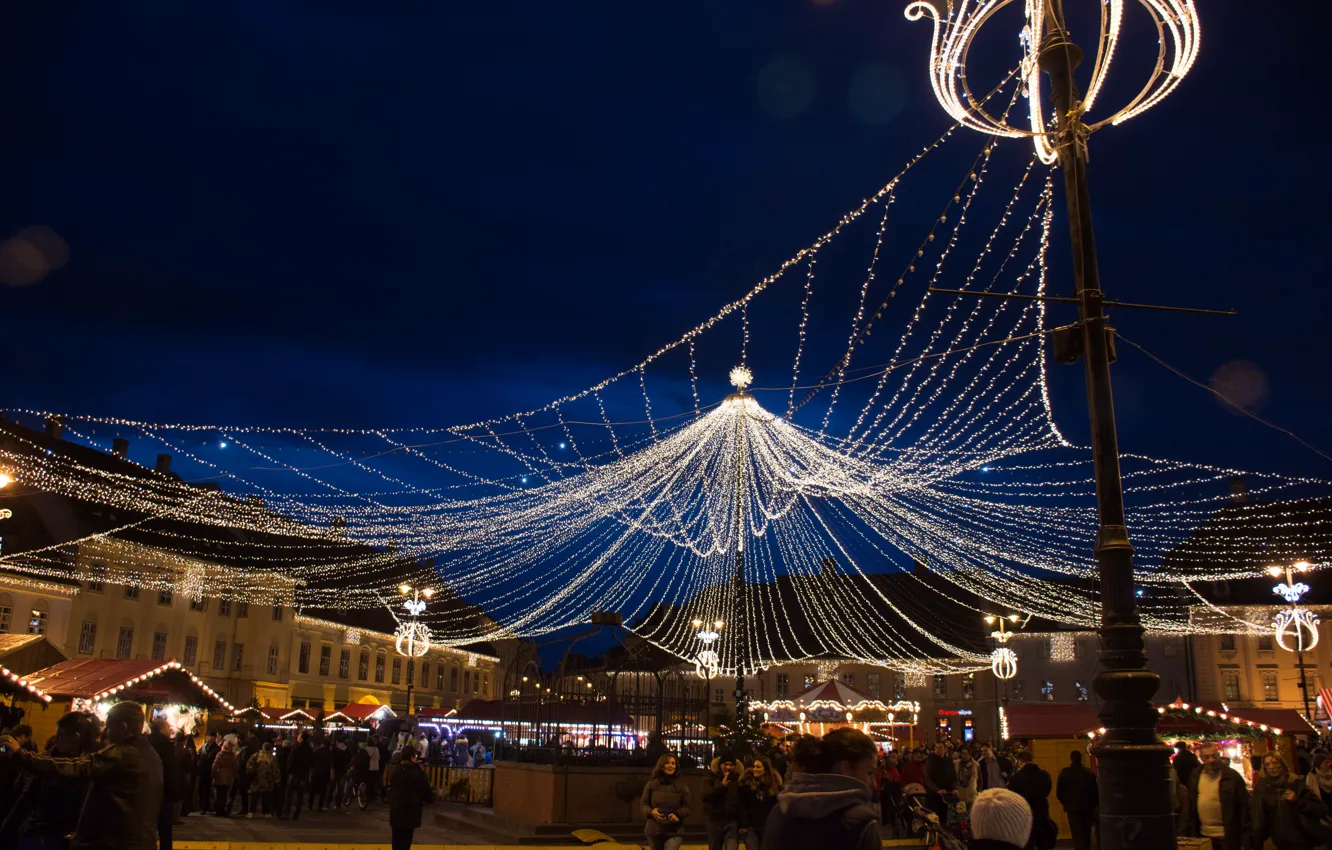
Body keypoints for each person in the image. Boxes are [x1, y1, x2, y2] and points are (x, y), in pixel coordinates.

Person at [1, 701, 163, 850]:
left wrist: (21, 755)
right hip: (141, 841)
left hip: (114, 842)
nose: (105, 733)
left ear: (123, 727)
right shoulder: (152, 756)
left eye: (109, 727)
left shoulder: (121, 753)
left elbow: (77, 768)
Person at [761, 728, 881, 850]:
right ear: (845, 768)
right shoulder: (861, 824)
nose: (874, 783)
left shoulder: (781, 810)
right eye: (869, 773)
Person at [0, 711, 95, 850]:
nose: (56, 739)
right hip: (36, 830)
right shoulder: (50, 756)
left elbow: (86, 804)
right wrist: (9, 826)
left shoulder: (86, 766)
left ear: (76, 737)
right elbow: (28, 796)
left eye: (61, 736)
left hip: (60, 836)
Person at [1252, 752, 1329, 850]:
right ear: (1264, 768)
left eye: (1275, 763)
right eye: (1267, 764)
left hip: (1302, 840)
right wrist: (1257, 841)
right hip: (1280, 843)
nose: (1272, 767)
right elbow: (1259, 817)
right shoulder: (1262, 788)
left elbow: (1321, 809)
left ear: (1282, 764)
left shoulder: (1295, 783)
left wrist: (1297, 800)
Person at [1183, 742, 1249, 850]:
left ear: (1218, 755)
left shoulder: (1232, 776)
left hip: (1227, 837)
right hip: (1204, 836)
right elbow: (1190, 806)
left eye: (1214, 756)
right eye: (1207, 757)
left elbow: (1244, 808)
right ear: (1201, 758)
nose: (1211, 760)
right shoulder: (1195, 776)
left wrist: (1245, 839)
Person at [641, 753, 691, 850]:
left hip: (674, 829)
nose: (670, 766)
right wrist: (651, 812)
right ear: (661, 765)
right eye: (667, 763)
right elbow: (643, 804)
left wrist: (678, 814)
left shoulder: (681, 786)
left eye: (673, 763)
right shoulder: (652, 784)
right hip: (654, 829)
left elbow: (688, 807)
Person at [388, 747, 434, 850]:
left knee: (396, 841)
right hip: (410, 812)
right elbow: (426, 791)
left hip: (396, 810)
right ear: (412, 757)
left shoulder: (396, 770)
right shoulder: (416, 772)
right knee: (405, 841)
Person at [1006, 751, 1053, 850]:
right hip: (1041, 812)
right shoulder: (1044, 775)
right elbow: (1047, 790)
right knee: (1042, 842)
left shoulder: (1016, 778)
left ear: (1020, 762)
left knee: (1027, 843)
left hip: (1023, 813)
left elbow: (1010, 794)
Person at [147, 720, 182, 850]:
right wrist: (174, 793)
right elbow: (171, 771)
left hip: (145, 792)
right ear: (162, 729)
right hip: (163, 793)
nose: (170, 729)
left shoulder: (146, 744)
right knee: (165, 831)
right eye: (168, 727)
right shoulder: (166, 747)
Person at [1055, 751, 1098, 850]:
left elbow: (1059, 792)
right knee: (1086, 832)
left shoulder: (1065, 773)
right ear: (1081, 759)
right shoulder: (1089, 772)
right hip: (1087, 808)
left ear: (1071, 759)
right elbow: (1095, 791)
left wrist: (1066, 802)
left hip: (1072, 808)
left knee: (1076, 833)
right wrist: (1093, 804)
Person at [739, 755, 781, 850]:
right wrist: (744, 824)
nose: (755, 769)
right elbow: (742, 806)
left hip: (768, 826)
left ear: (765, 769)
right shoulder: (746, 785)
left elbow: (776, 807)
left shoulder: (774, 787)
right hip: (751, 826)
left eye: (758, 767)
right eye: (754, 766)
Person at [704, 752, 741, 850]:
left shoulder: (737, 780)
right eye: (725, 764)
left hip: (732, 821)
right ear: (720, 764)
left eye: (731, 765)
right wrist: (721, 787)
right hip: (715, 821)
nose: (728, 767)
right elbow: (706, 796)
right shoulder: (710, 778)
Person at [924, 741, 958, 823]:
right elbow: (928, 778)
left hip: (946, 794)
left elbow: (953, 776)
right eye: (936, 748)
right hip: (933, 795)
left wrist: (954, 788)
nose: (938, 750)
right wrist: (936, 790)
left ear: (945, 749)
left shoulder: (948, 761)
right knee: (933, 818)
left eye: (940, 747)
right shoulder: (930, 761)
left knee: (944, 818)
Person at [246, 741, 281, 818]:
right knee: (266, 797)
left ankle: (251, 812)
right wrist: (277, 780)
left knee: (254, 797)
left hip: (256, 779)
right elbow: (275, 770)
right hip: (267, 780)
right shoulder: (272, 757)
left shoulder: (256, 755)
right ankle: (266, 812)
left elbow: (249, 765)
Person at [283, 734, 313, 820]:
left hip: (294, 773)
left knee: (289, 794)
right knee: (300, 796)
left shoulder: (296, 748)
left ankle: (286, 813)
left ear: (301, 738)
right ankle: (297, 813)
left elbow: (290, 761)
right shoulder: (309, 750)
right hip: (303, 774)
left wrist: (288, 770)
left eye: (299, 736)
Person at [210, 739, 238, 817]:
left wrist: (214, 775)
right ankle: (223, 810)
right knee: (225, 794)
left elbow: (215, 766)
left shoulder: (220, 754)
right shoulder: (232, 756)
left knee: (219, 795)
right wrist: (232, 775)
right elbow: (235, 767)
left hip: (219, 777)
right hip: (228, 778)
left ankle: (218, 811)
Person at [197, 734, 219, 815]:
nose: (207, 738)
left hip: (210, 772)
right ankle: (203, 807)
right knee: (202, 790)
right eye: (207, 736)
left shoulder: (217, 749)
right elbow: (199, 756)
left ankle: (207, 806)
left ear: (213, 738)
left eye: (209, 736)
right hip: (202, 771)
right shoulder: (203, 747)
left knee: (209, 790)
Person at [309, 737, 333, 812]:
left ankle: (310, 804)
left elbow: (311, 761)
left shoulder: (317, 751)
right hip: (325, 773)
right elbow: (331, 764)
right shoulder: (330, 753)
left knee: (312, 789)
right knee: (323, 790)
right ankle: (320, 805)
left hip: (316, 772)